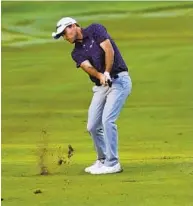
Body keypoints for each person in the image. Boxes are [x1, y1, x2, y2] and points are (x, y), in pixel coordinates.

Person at [52, 17, 132, 175]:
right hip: (101, 86)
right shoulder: (76, 52)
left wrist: (107, 72)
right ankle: (102, 160)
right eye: (62, 35)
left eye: (65, 33)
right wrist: (101, 76)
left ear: (73, 26)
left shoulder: (95, 30)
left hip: (119, 80)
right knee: (93, 126)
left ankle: (113, 163)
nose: (65, 37)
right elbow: (87, 67)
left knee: (108, 119)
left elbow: (109, 49)